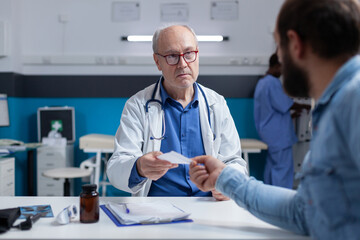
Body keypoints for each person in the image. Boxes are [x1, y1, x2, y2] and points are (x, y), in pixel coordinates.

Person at [189, 0, 360, 238]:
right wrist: (225, 178)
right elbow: (306, 212)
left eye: (278, 45)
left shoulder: (354, 97)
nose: (278, 55)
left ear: (295, 44)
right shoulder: (334, 106)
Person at [107, 24, 247, 200]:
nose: (183, 64)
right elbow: (116, 167)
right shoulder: (137, 105)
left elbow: (234, 161)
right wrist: (139, 167)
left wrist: (227, 181)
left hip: (208, 206)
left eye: (189, 53)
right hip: (157, 209)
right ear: (157, 62)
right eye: (172, 56)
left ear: (197, 54)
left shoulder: (216, 104)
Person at [254, 53, 310, 188]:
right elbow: (286, 104)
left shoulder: (262, 82)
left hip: (269, 132)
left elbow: (272, 110)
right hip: (278, 136)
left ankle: (269, 196)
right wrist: (306, 106)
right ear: (277, 66)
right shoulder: (272, 83)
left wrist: (292, 114)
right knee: (283, 169)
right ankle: (282, 198)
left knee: (273, 166)